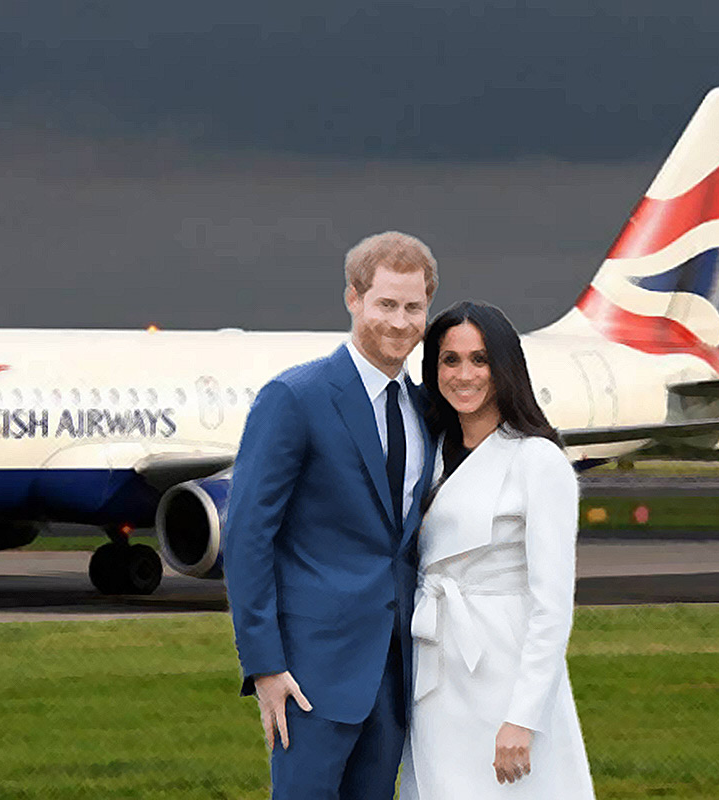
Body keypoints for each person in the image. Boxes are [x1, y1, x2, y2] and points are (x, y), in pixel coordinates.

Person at [224, 231, 437, 799]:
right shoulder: (295, 397)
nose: (399, 321)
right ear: (353, 299)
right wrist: (265, 666)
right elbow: (247, 538)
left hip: (395, 671)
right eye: (385, 303)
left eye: (413, 306)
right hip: (308, 675)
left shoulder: (423, 410)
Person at [400, 300, 595, 798]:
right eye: (450, 360)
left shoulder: (537, 460)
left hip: (504, 674)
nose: (464, 374)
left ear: (504, 367)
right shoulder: (430, 455)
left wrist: (523, 719)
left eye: (480, 360)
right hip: (436, 669)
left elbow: (552, 607)